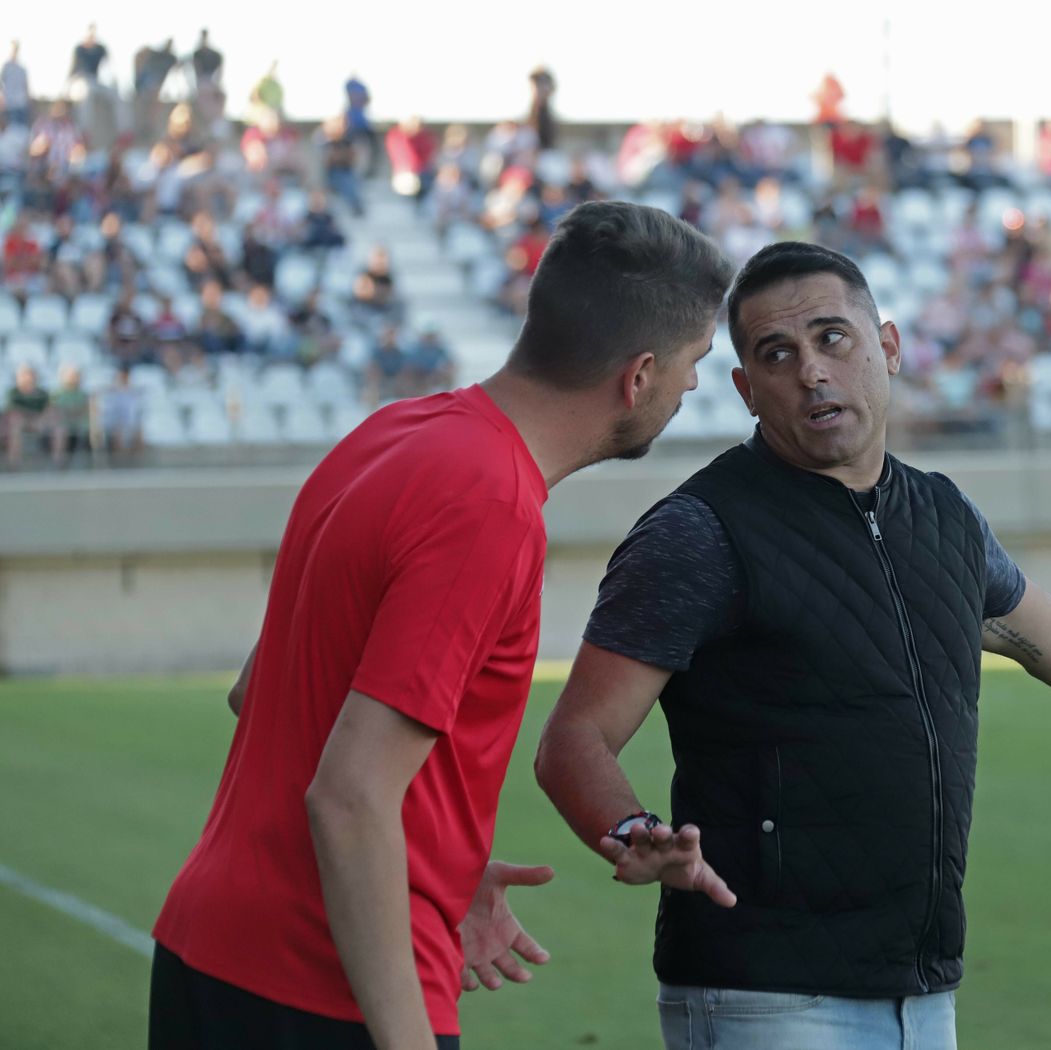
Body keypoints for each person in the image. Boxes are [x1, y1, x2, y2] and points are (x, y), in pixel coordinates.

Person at [533, 242, 1051, 1050]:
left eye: (832, 338)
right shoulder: (698, 534)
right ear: (746, 389)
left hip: (922, 994)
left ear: (886, 346)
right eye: (777, 355)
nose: (811, 371)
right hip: (765, 994)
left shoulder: (946, 518)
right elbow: (576, 736)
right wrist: (631, 830)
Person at [149, 202, 735, 1049]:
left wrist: (434, 868)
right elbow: (348, 797)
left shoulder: (396, 432)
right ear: (638, 375)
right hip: (319, 990)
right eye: (694, 364)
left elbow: (261, 691)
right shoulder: (489, 506)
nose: (690, 388)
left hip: (212, 952)